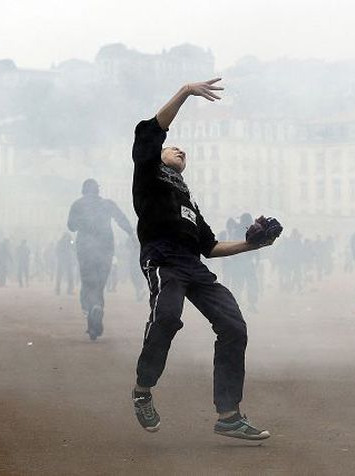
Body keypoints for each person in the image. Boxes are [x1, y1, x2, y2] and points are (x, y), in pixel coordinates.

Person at [130, 78, 277, 440]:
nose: (180, 151)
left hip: (194, 268)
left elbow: (209, 247)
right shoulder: (148, 173)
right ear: (160, 153)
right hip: (163, 261)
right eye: (173, 148)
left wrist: (251, 245)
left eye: (184, 152)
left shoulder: (188, 201)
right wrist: (185, 91)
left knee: (233, 327)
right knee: (166, 317)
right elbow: (154, 129)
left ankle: (229, 415)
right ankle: (142, 390)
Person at [67, 179, 134, 340]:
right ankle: (95, 316)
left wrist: (82, 222)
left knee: (88, 283)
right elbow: (121, 219)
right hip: (106, 249)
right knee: (99, 285)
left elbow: (71, 226)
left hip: (85, 250)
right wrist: (132, 234)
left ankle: (91, 310)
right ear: (98, 190)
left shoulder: (77, 205)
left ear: (83, 190)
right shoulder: (107, 204)